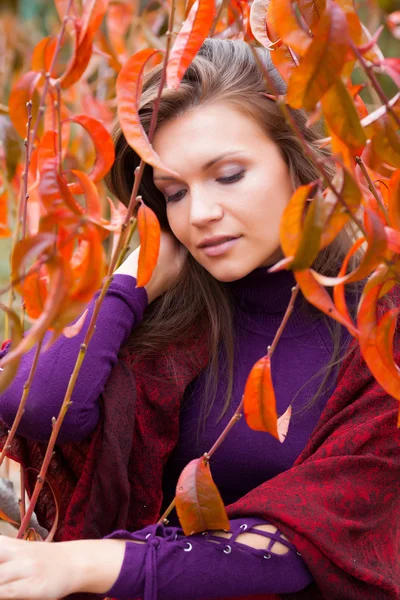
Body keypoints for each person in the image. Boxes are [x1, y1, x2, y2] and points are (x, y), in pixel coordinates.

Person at [0, 38, 398, 600]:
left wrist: (85, 564)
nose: (201, 214)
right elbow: (37, 405)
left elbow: (307, 541)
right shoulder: (175, 320)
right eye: (175, 192)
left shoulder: (381, 330)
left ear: (298, 163)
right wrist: (127, 283)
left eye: (229, 175)